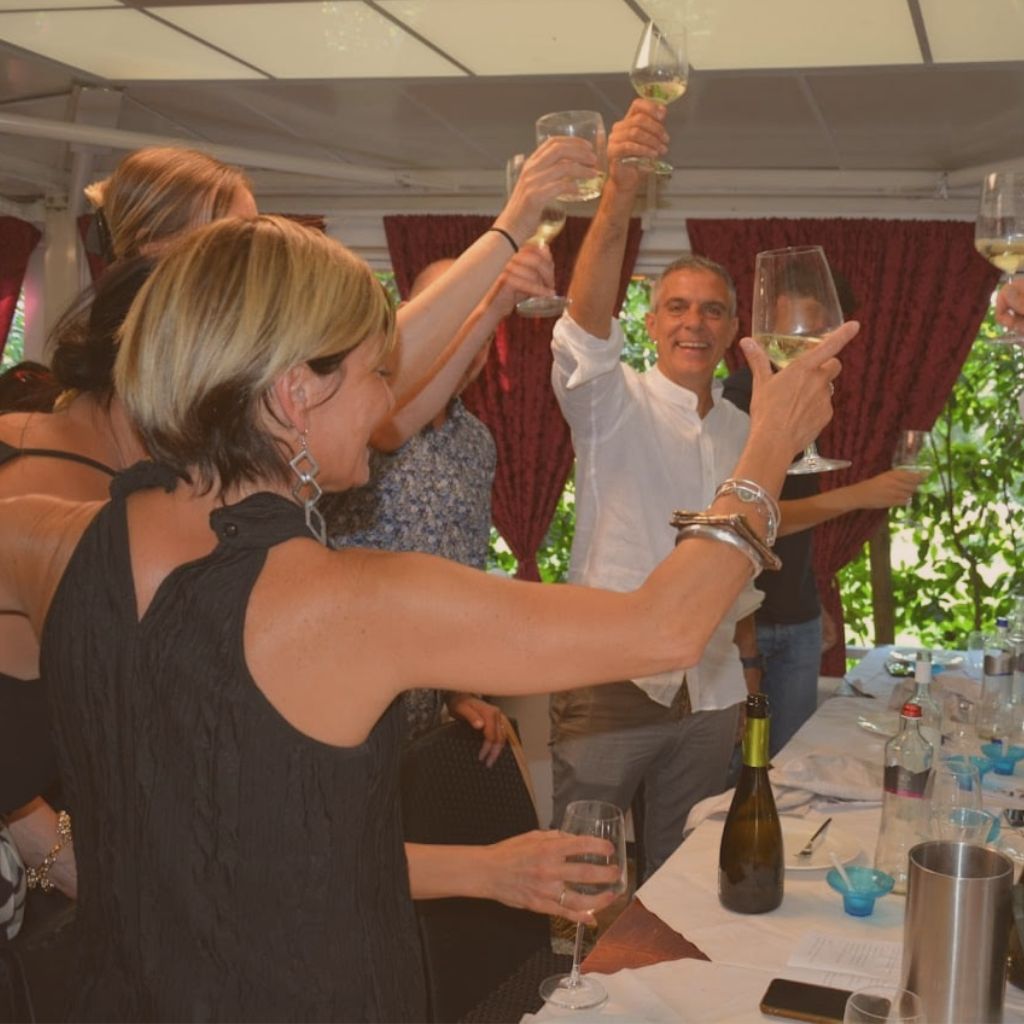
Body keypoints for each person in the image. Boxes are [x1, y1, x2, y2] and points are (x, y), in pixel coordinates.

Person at [0, 213, 850, 1019]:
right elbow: (664, 628)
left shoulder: (50, 538)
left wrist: (488, 870)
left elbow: (263, 851)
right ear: (297, 393)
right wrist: (765, 449)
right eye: (377, 372)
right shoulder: (356, 599)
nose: (387, 407)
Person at [0, 138, 599, 935]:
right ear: (170, 269)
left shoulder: (175, 473)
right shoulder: (58, 495)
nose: (268, 272)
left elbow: (375, 408)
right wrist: (53, 848)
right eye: (242, 247)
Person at [547, 100, 779, 878]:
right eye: (677, 306)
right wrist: (619, 194)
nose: (694, 322)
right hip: (610, 681)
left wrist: (747, 671)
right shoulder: (612, 400)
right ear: (650, 321)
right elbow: (581, 327)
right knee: (584, 867)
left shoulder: (743, 430)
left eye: (713, 310)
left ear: (733, 326)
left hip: (710, 690)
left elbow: (741, 565)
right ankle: (576, 996)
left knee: (680, 875)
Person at [327, 251, 550, 753]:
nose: (462, 337)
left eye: (479, 322)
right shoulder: (353, 424)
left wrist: (459, 692)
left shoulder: (478, 442)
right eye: (452, 315)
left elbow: (463, 575)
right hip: (343, 697)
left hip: (422, 722)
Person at [722, 271, 923, 754]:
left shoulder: (812, 396)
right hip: (742, 627)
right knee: (738, 774)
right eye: (799, 328)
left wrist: (811, 596)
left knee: (793, 768)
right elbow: (753, 518)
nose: (811, 345)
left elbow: (790, 515)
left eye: (821, 332)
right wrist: (862, 494)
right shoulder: (740, 395)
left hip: (799, 619)